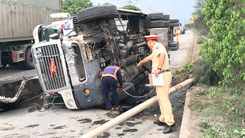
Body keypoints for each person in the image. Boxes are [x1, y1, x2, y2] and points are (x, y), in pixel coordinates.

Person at [137, 35, 175, 134]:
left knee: (164, 99)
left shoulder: (157, 46)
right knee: (160, 98)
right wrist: (141, 62)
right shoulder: (155, 50)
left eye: (147, 43)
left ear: (150, 42)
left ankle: (170, 122)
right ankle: (163, 118)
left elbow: (162, 55)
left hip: (162, 74)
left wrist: (158, 68)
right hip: (159, 76)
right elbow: (148, 58)